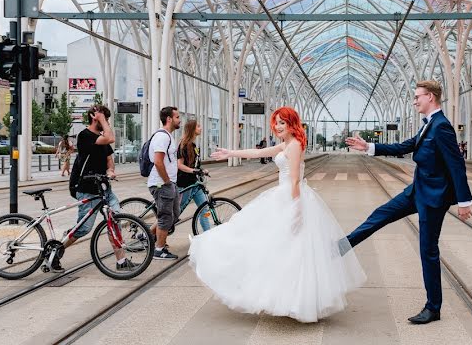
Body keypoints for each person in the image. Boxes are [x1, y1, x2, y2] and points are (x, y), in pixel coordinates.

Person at [189, 107, 365, 323]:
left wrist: (297, 209)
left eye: (283, 123)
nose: (278, 127)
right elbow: (259, 153)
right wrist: (231, 153)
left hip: (291, 198)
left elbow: (294, 180)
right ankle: (289, 298)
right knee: (277, 247)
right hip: (283, 196)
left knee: (293, 250)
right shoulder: (287, 144)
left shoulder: (296, 145)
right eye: (276, 123)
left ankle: (295, 300)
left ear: (292, 124)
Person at [344, 80, 472, 325]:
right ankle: (343, 246)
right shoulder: (430, 125)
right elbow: (405, 146)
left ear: (431, 97)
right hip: (417, 190)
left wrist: (464, 201)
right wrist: (369, 146)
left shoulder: (442, 127)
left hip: (433, 198)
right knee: (380, 214)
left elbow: (457, 165)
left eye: (417, 97)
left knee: (428, 251)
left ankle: (433, 308)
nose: (414, 101)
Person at [58, 105, 134, 272]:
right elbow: (111, 138)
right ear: (94, 117)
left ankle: (121, 261)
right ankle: (57, 249)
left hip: (104, 188)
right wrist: (100, 119)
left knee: (115, 221)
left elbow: (109, 159)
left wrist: (111, 170)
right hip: (85, 187)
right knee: (84, 228)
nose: (106, 122)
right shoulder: (84, 136)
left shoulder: (101, 136)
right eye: (105, 118)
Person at [148, 106, 182, 260]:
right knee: (166, 216)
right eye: (177, 117)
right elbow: (158, 161)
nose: (179, 120)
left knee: (174, 215)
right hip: (162, 184)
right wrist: (167, 182)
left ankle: (149, 237)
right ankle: (159, 249)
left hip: (169, 183)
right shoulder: (162, 137)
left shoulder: (168, 136)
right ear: (169, 119)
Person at [177, 118, 209, 230]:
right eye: (198, 126)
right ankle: (154, 234)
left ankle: (208, 235)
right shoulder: (184, 145)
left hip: (194, 183)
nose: (201, 128)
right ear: (192, 129)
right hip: (184, 184)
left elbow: (195, 165)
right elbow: (179, 165)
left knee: (204, 208)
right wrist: (193, 171)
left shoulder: (194, 146)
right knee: (176, 212)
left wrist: (202, 170)